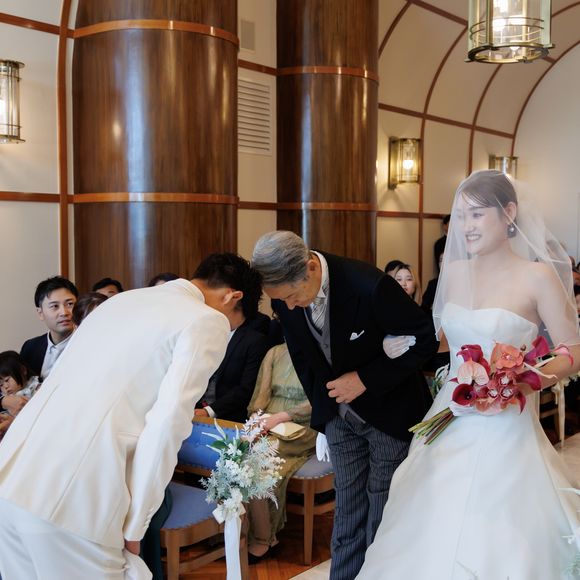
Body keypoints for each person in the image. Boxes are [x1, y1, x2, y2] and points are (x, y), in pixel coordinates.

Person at [357, 170, 580, 579]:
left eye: (477, 215)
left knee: (498, 526)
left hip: (506, 422)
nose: (466, 226)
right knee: (430, 514)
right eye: (461, 216)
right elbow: (443, 341)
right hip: (451, 413)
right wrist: (393, 344)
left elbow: (573, 349)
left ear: (508, 212)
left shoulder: (538, 276)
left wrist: (522, 379)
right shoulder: (455, 272)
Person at [0, 253, 262, 580]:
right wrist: (138, 524)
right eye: (233, 322)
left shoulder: (119, 302)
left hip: (12, 477)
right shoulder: (205, 320)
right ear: (232, 297)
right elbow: (167, 425)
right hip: (74, 497)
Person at [251, 232, 438, 580]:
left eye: (292, 296)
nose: (288, 307)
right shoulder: (285, 299)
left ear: (310, 267)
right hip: (338, 416)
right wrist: (324, 418)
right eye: (280, 300)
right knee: (348, 510)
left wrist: (366, 379)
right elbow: (304, 361)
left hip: (389, 412)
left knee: (382, 509)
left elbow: (426, 338)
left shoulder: (368, 285)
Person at [246, 343, 317, 561]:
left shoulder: (320, 352)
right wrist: (256, 418)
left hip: (305, 425)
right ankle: (247, 532)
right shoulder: (275, 352)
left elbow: (318, 400)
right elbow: (261, 394)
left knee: (258, 460)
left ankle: (263, 538)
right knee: (243, 457)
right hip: (269, 422)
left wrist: (279, 418)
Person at [194, 307, 269, 423]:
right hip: (192, 408)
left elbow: (246, 388)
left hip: (227, 416)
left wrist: (209, 411)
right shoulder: (202, 334)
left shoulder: (254, 341)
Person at [20, 276, 78, 380]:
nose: (64, 312)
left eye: (70, 304)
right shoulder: (30, 347)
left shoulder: (88, 343)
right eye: (55, 306)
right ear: (40, 313)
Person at [0, 351, 40, 439]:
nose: (5, 386)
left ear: (23, 370)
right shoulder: (6, 397)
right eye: (1, 385)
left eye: (7, 380)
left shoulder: (35, 387)